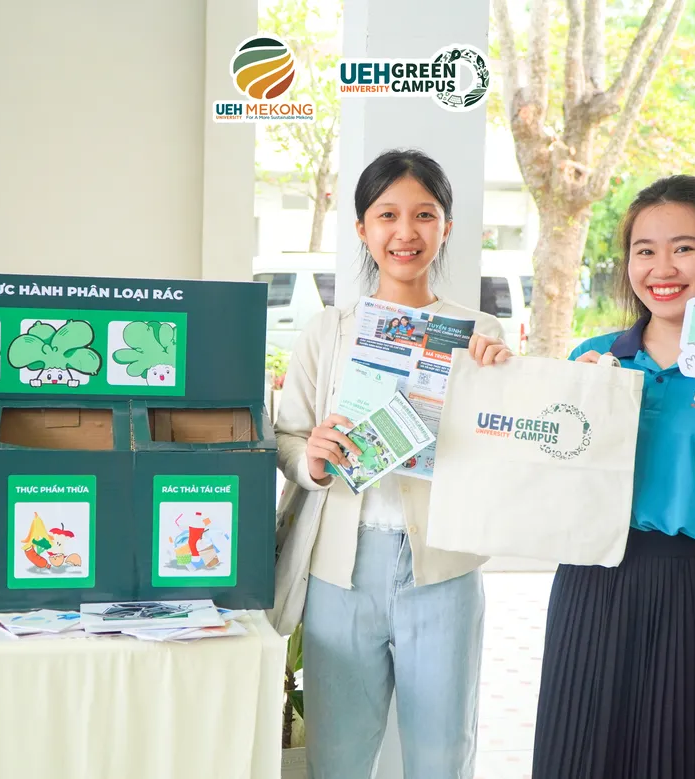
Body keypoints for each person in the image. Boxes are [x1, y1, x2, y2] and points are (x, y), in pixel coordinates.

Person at [531, 174, 695, 779]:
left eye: (683, 248)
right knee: (583, 755)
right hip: (593, 584)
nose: (662, 268)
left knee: (691, 757)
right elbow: (549, 484)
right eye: (644, 250)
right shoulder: (594, 359)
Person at [273, 148, 513, 779]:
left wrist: (500, 386)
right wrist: (313, 460)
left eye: (424, 214)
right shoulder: (329, 330)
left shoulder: (480, 334)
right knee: (338, 755)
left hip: (443, 569)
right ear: (362, 228)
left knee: (441, 752)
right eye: (387, 215)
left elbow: (502, 455)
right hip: (341, 570)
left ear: (446, 226)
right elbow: (287, 437)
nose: (405, 232)